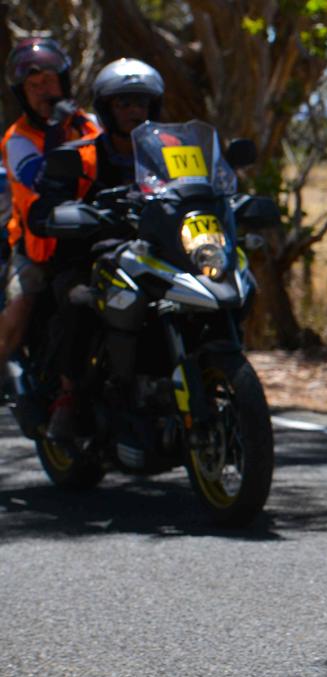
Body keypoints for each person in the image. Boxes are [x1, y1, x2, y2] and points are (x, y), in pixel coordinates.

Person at [16, 57, 164, 440]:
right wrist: (65, 213)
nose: (135, 112)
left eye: (142, 103)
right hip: (89, 257)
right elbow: (44, 205)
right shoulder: (79, 155)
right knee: (83, 300)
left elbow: (202, 185)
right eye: (124, 103)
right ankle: (67, 397)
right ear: (107, 110)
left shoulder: (170, 152)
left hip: (157, 254)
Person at [0, 37, 100, 433]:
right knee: (22, 303)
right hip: (39, 247)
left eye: (50, 81)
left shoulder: (91, 122)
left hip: (92, 236)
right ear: (22, 93)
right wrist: (58, 130)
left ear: (64, 80)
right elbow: (37, 181)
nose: (45, 91)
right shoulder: (18, 138)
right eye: (34, 85)